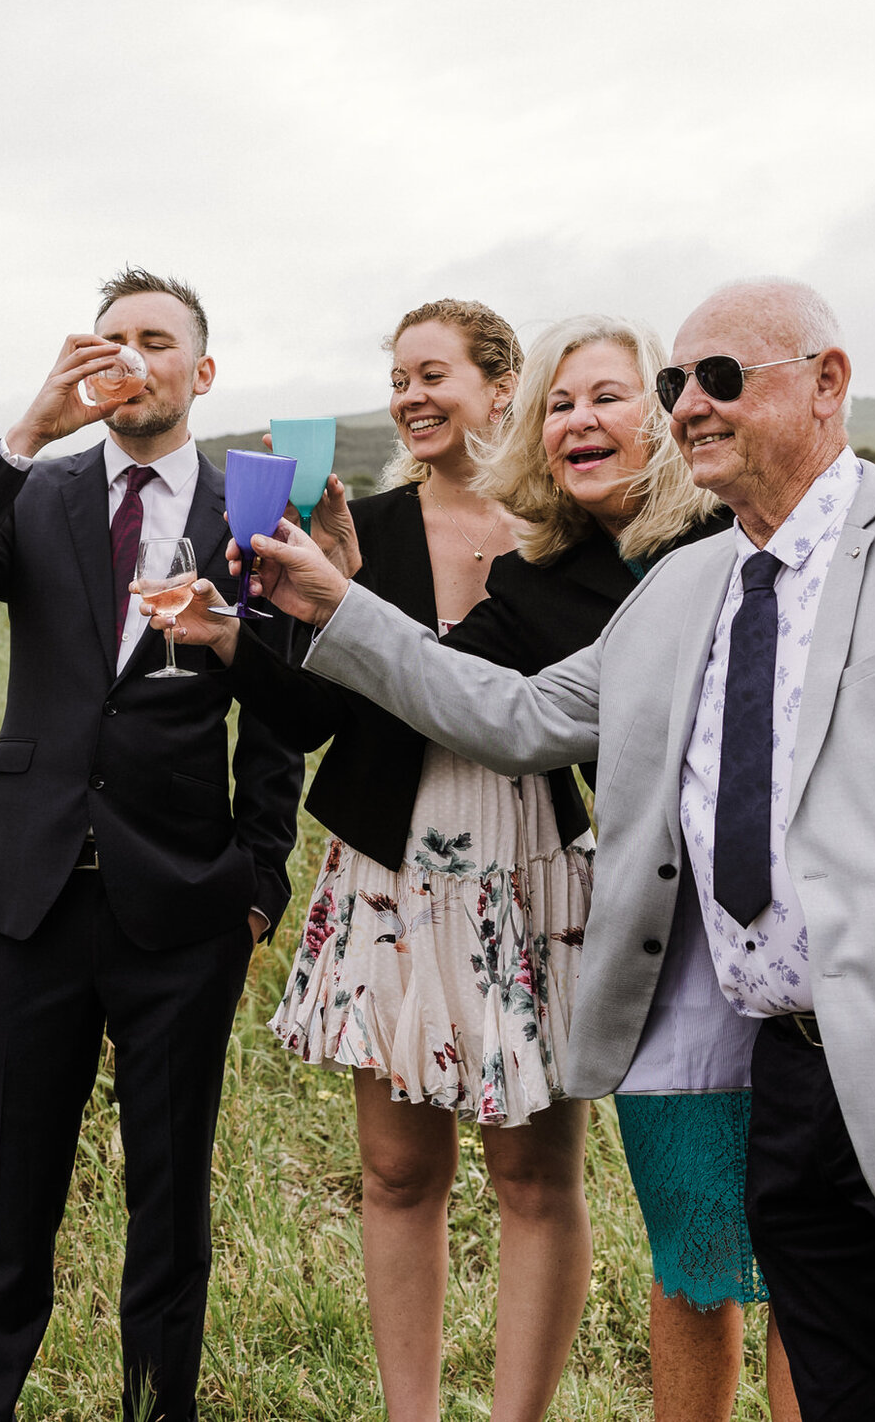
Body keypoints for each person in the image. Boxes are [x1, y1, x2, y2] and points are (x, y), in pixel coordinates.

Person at [205, 247, 875, 1422]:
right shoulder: (676, 590)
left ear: (824, 383)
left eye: (713, 375)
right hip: (777, 1068)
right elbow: (513, 712)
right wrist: (336, 606)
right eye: (670, 384)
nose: (685, 401)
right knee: (823, 1365)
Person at [0, 269, 306, 1422]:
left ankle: (155, 1409)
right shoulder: (38, 489)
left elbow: (277, 719)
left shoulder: (256, 506)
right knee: (7, 1203)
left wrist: (257, 883)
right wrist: (25, 431)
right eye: (109, 336)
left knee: (170, 1206)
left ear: (200, 372)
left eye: (156, 338)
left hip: (183, 906)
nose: (130, 354)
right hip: (27, 896)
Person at [210, 299, 595, 1422]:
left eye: (433, 373)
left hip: (525, 862)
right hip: (387, 861)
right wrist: (244, 630)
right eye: (397, 378)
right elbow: (304, 717)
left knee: (533, 1176)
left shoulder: (568, 528)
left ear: (498, 382)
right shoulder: (359, 525)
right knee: (394, 1172)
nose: (410, 396)